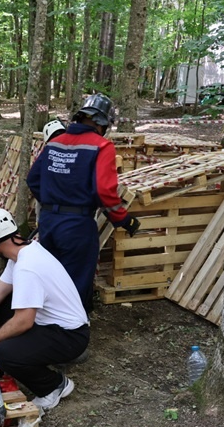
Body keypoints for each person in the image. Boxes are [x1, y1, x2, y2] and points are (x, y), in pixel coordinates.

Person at [0, 208, 90, 411]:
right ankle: (21, 357)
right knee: (1, 307)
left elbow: (24, 321)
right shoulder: (23, 253)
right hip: (51, 325)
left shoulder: (27, 267)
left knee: (5, 353)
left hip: (70, 336)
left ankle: (54, 386)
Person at [27, 93, 140, 312]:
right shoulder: (102, 146)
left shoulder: (55, 143)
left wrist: (52, 200)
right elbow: (105, 190)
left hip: (48, 222)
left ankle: (44, 324)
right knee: (76, 281)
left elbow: (33, 179)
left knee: (49, 276)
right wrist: (122, 219)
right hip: (77, 225)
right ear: (103, 124)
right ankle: (71, 331)